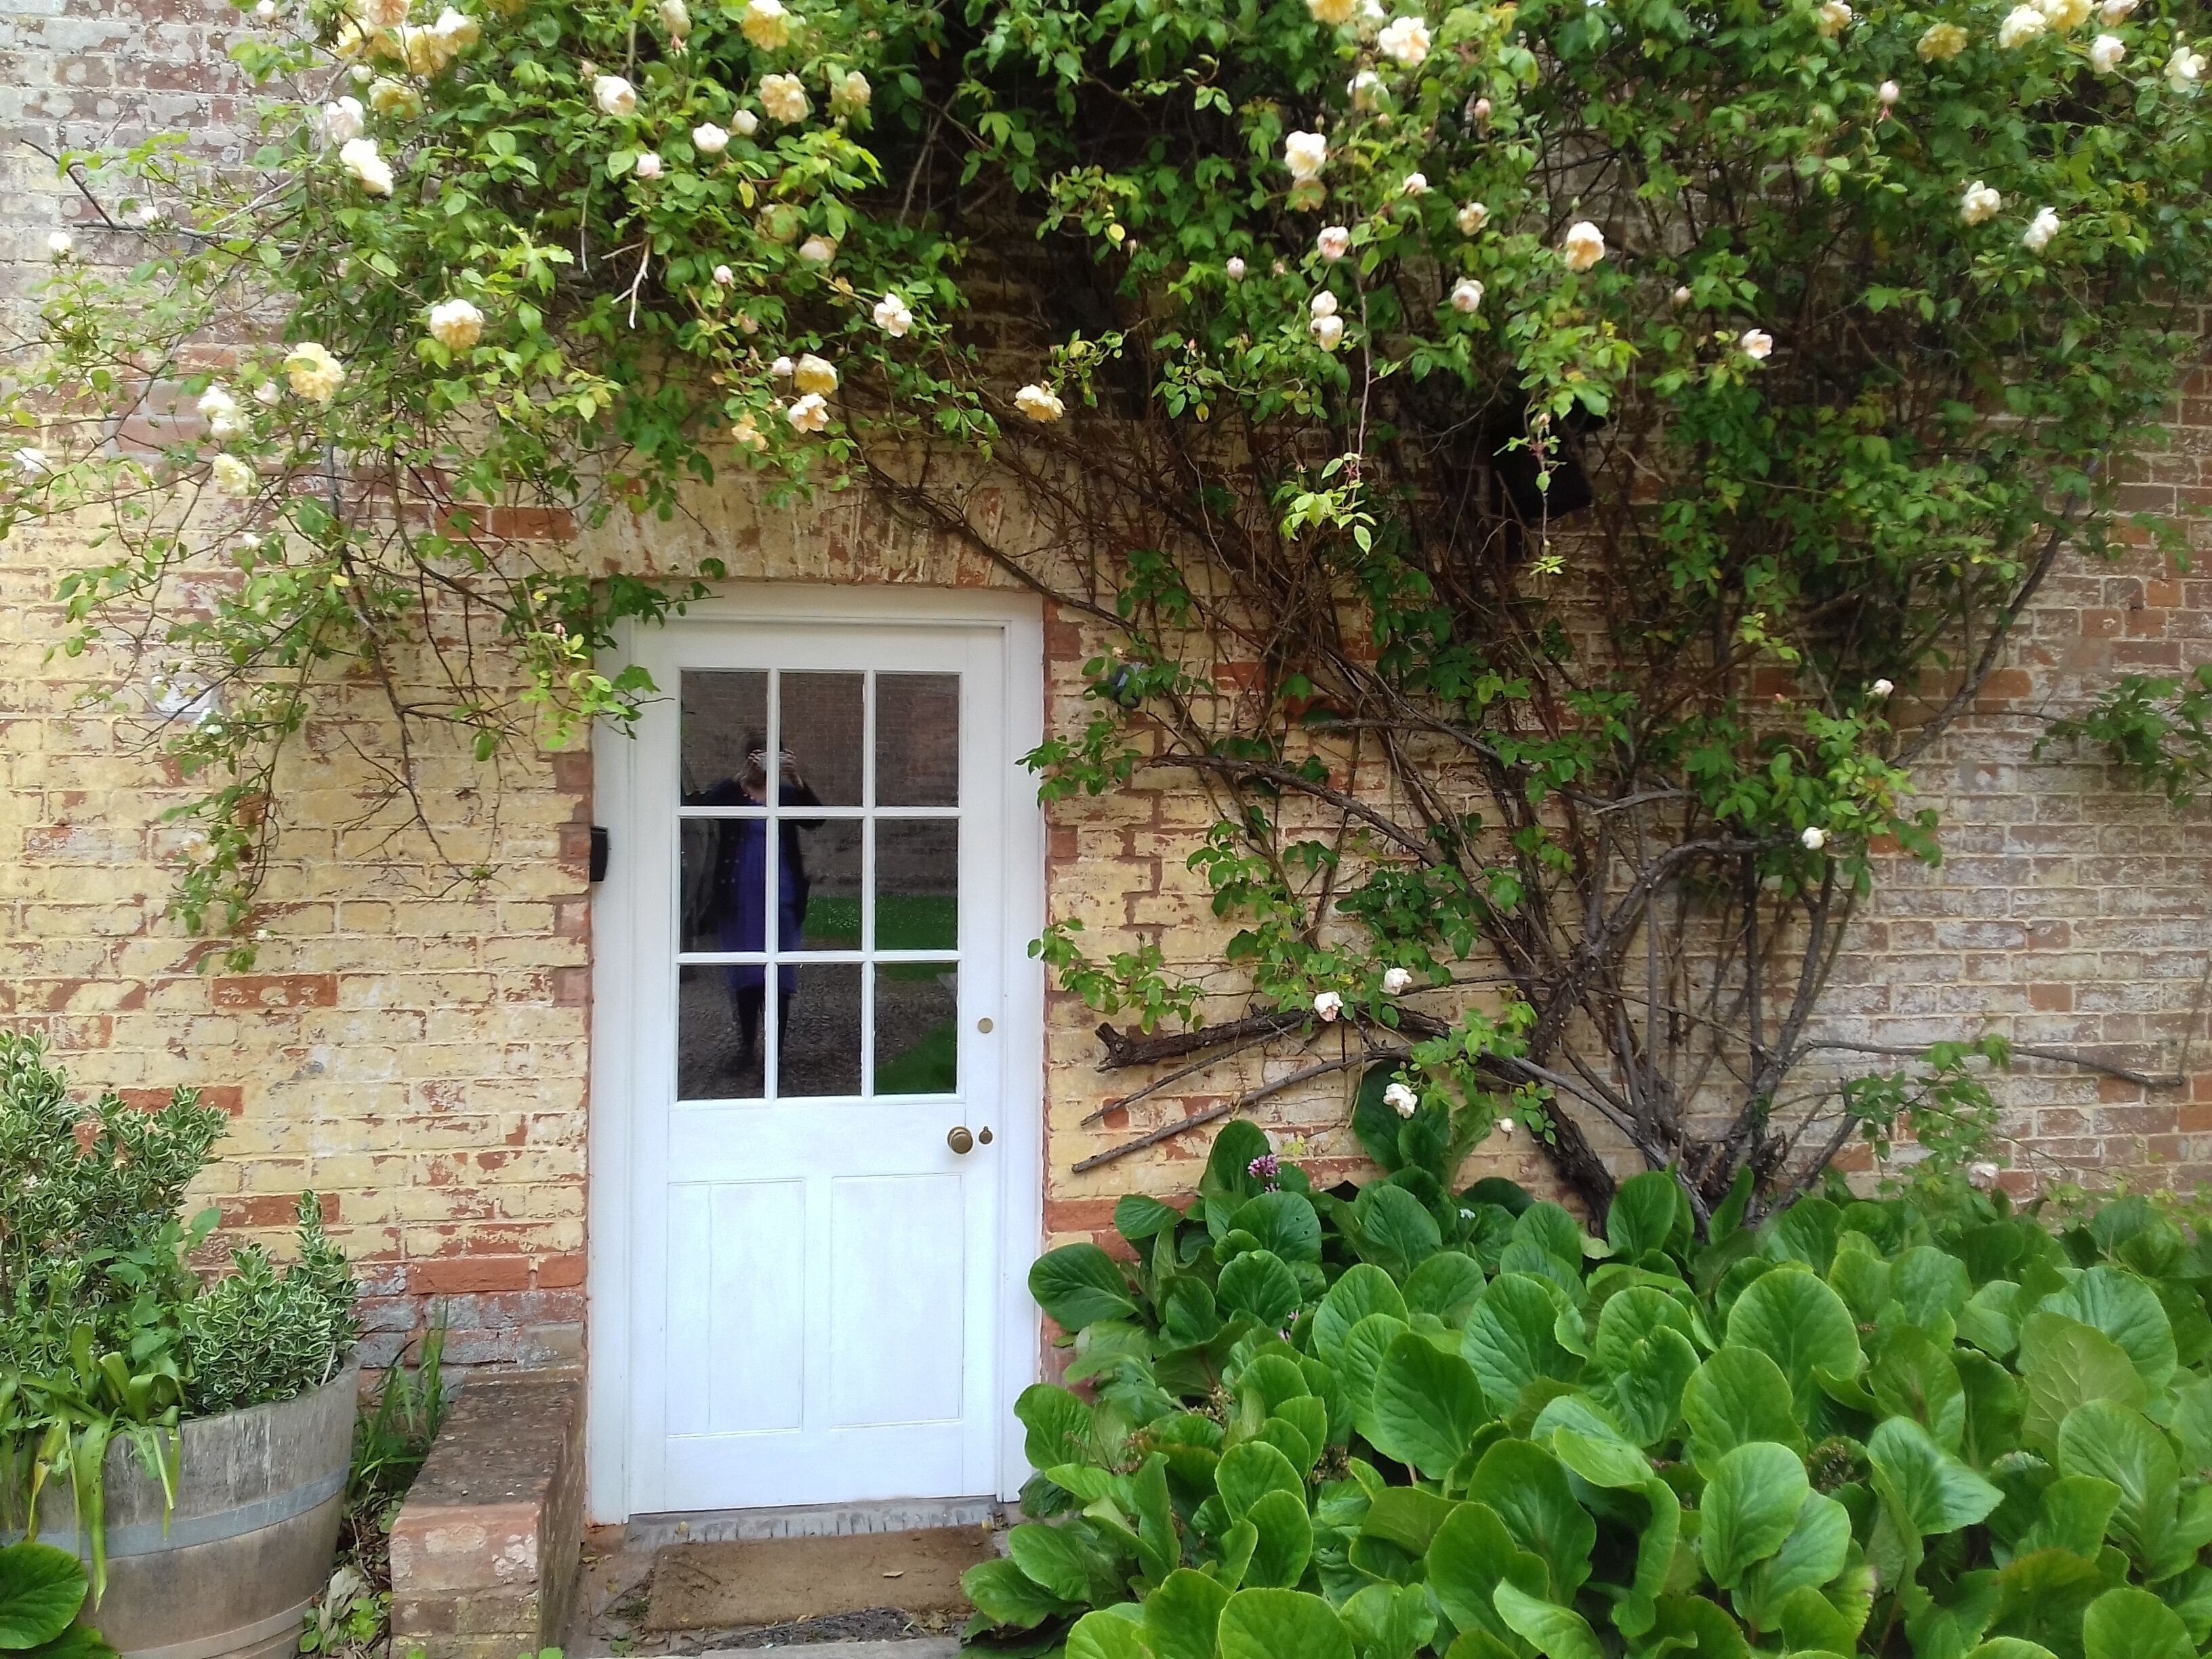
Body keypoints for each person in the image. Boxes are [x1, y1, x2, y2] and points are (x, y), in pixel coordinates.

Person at [685, 735, 822, 1067]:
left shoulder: (787, 795)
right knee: (745, 973)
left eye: (773, 757)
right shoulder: (734, 793)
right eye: (759, 757)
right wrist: (740, 778)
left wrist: (797, 779)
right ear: (749, 758)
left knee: (779, 976)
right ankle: (746, 1048)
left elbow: (817, 819)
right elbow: (702, 809)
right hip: (739, 896)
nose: (765, 765)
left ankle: (776, 1053)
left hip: (782, 895)